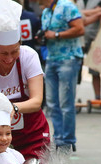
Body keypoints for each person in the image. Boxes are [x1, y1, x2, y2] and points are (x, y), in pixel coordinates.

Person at [0, 0, 49, 160]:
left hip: (30, 134)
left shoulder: (29, 56)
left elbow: (36, 101)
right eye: (3, 54)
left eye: (14, 51)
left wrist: (13, 107)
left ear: (20, 44)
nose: (10, 58)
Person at [40, 0, 84, 151]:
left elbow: (80, 29)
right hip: (51, 59)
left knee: (66, 102)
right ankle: (59, 139)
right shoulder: (46, 12)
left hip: (68, 58)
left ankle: (68, 140)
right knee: (52, 103)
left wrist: (57, 34)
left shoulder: (67, 6)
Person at [76, 0, 101, 101]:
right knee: (76, 68)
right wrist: (96, 12)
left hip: (94, 38)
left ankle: (98, 97)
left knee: (95, 68)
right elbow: (77, 13)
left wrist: (96, 12)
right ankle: (72, 97)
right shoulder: (77, 2)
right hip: (78, 39)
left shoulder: (99, 1)